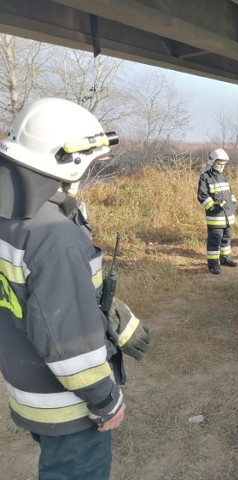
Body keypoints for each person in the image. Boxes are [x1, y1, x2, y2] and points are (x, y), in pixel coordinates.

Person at [0, 98, 150, 479]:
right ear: (70, 159)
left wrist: (108, 308)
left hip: (27, 385)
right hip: (68, 406)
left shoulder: (10, 214)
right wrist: (106, 400)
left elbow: (35, 301)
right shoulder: (53, 235)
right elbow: (69, 341)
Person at [198, 148, 238, 274]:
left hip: (228, 216)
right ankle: (213, 265)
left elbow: (229, 192)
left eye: (223, 164)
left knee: (226, 239)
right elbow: (202, 195)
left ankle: (225, 259)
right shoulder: (205, 177)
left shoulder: (223, 176)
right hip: (215, 217)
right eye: (219, 163)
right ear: (212, 162)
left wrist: (233, 203)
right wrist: (213, 207)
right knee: (215, 240)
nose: (221, 166)